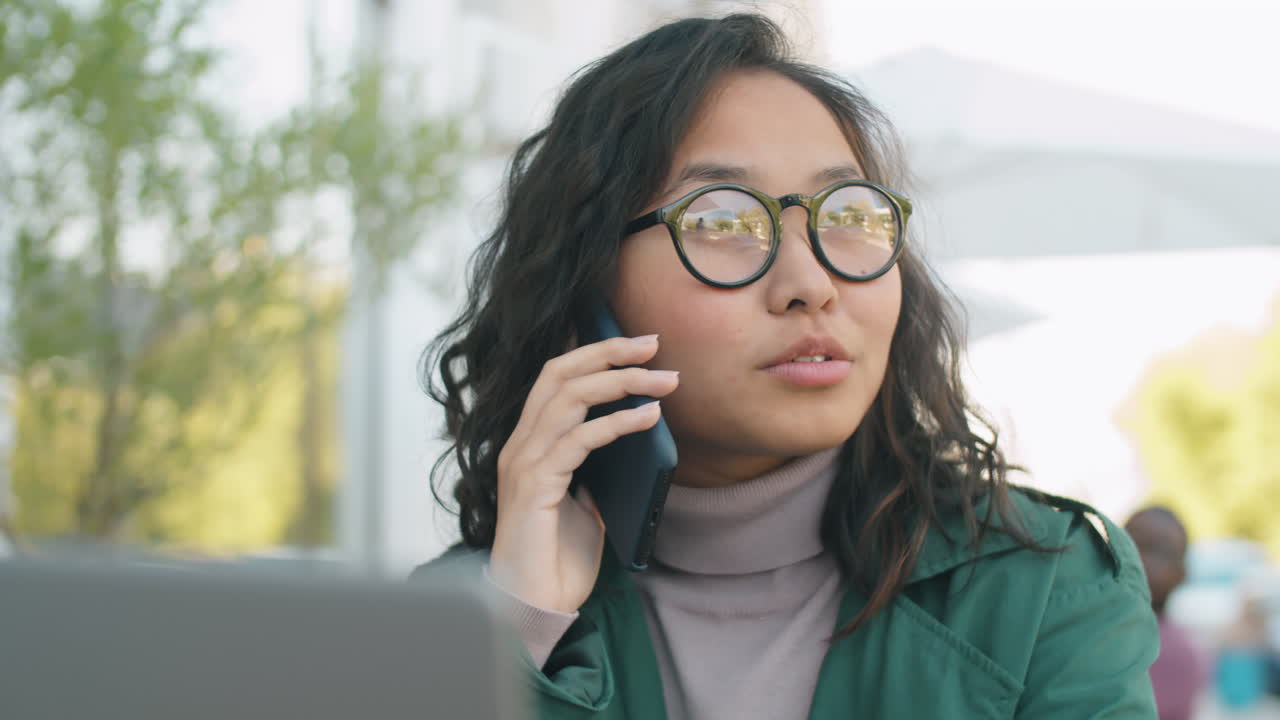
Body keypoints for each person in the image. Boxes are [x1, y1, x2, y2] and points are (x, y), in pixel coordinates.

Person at [414, 13, 1158, 719]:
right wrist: (519, 634)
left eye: (849, 215)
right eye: (723, 220)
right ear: (586, 288)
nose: (811, 282)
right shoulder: (445, 617)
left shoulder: (1045, 590)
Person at [1125, 506, 1206, 719]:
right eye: (1129, 543)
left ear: (1181, 574)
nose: (1139, 558)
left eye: (1156, 551)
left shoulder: (1173, 652)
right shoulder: (1090, 624)